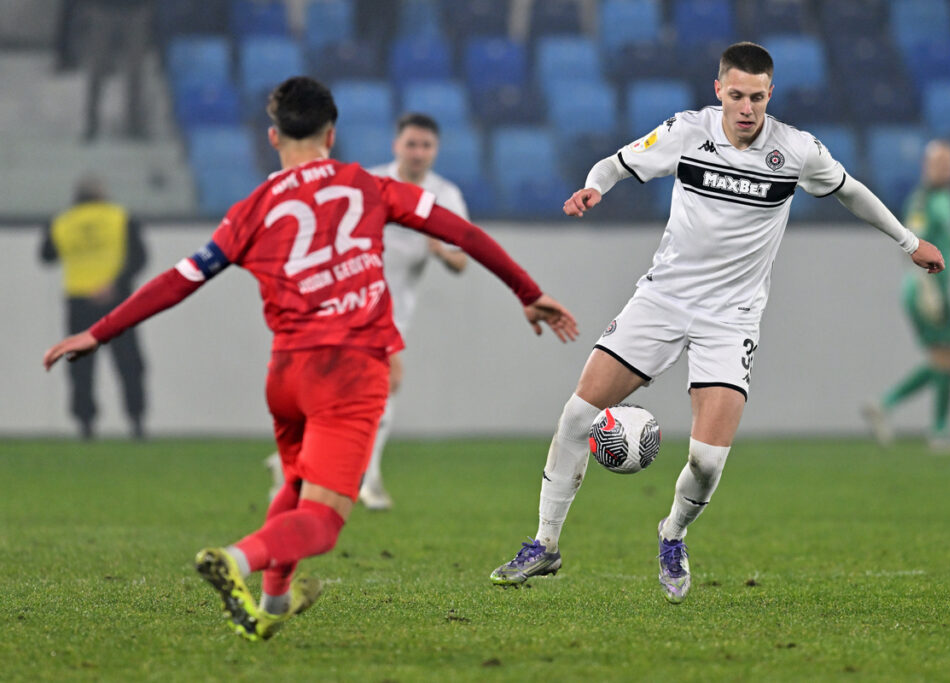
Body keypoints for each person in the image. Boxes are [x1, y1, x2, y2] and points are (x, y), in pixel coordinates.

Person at [43, 76, 578, 641]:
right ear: (332, 133)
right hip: (349, 371)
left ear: (273, 137)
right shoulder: (367, 185)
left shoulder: (250, 208)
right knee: (322, 522)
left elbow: (180, 279)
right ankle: (237, 559)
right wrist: (526, 291)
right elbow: (462, 233)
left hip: (286, 376)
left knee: (297, 486)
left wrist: (98, 333)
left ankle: (271, 606)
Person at [489, 42, 945, 604]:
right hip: (662, 301)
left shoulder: (797, 150)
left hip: (731, 320)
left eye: (757, 97)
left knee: (706, 463)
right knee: (577, 415)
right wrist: (594, 187)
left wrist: (908, 241)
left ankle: (672, 534)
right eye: (736, 95)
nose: (747, 107)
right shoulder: (687, 131)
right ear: (719, 91)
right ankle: (545, 543)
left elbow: (850, 192)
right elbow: (617, 163)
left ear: (770, 94)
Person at [262, 113, 473, 509]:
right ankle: (363, 479)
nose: (418, 152)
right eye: (411, 144)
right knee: (380, 386)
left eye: (425, 145)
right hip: (350, 299)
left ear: (435, 151)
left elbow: (463, 261)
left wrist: (443, 252)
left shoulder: (445, 196)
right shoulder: (369, 182)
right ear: (396, 145)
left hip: (396, 310)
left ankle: (299, 464)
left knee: (356, 390)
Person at [862, 141, 950, 454]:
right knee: (947, 359)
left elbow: (946, 236)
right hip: (926, 287)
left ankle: (891, 408)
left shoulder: (945, 198)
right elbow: (911, 244)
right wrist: (927, 288)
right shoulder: (923, 200)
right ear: (928, 167)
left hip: (936, 287)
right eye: (942, 163)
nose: (949, 169)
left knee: (946, 360)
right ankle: (935, 431)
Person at [41, 175, 148, 439]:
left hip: (78, 302)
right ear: (102, 194)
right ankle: (136, 422)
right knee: (129, 363)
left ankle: (86, 425)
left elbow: (46, 255)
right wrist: (115, 282)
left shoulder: (62, 221)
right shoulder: (120, 217)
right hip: (118, 301)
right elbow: (140, 258)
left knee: (81, 368)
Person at [80, 0, 154, 140]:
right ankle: (92, 123)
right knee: (98, 69)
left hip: (134, 10)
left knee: (135, 71)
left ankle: (134, 123)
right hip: (104, 9)